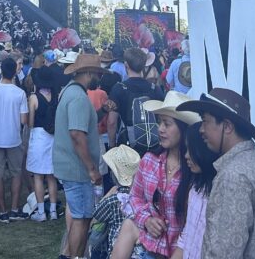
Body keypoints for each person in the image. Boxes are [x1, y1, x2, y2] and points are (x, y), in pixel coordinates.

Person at [178, 88, 255, 259]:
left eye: (205, 121)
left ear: (227, 126)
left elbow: (222, 253)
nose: (201, 129)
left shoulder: (233, 176)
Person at [112, 92, 197, 259]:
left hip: (180, 252)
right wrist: (147, 220)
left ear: (183, 128)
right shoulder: (149, 160)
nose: (160, 129)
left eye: (167, 124)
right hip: (148, 245)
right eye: (159, 123)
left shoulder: (194, 170)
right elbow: (135, 196)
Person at [52, 53, 104, 259]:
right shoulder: (78, 97)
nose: (99, 77)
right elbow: (76, 134)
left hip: (70, 166)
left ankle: (67, 255)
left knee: (78, 218)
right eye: (98, 73)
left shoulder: (70, 92)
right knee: (82, 219)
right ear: (89, 73)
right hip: (77, 168)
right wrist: (92, 168)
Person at [0, 57, 28, 223]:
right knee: (16, 174)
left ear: (1, 71)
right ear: (15, 72)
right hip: (14, 139)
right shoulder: (20, 93)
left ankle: (3, 211)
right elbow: (24, 120)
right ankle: (15, 208)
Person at [172, 123, 219, 259]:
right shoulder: (195, 188)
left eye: (191, 150)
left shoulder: (219, 194)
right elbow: (186, 237)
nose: (186, 156)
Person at [107, 48, 164, 151]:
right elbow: (162, 117)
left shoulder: (119, 88)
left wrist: (112, 146)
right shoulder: (155, 88)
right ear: (143, 65)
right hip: (154, 145)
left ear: (126, 65)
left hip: (128, 146)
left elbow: (112, 122)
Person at [88, 145, 139, 259]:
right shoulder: (141, 198)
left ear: (114, 175)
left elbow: (96, 214)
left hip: (116, 251)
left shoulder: (113, 200)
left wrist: (108, 194)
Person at [25, 65, 58, 222]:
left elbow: (30, 122)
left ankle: (40, 211)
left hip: (38, 136)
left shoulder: (34, 97)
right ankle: (53, 211)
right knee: (51, 175)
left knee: (38, 176)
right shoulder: (56, 95)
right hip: (53, 136)